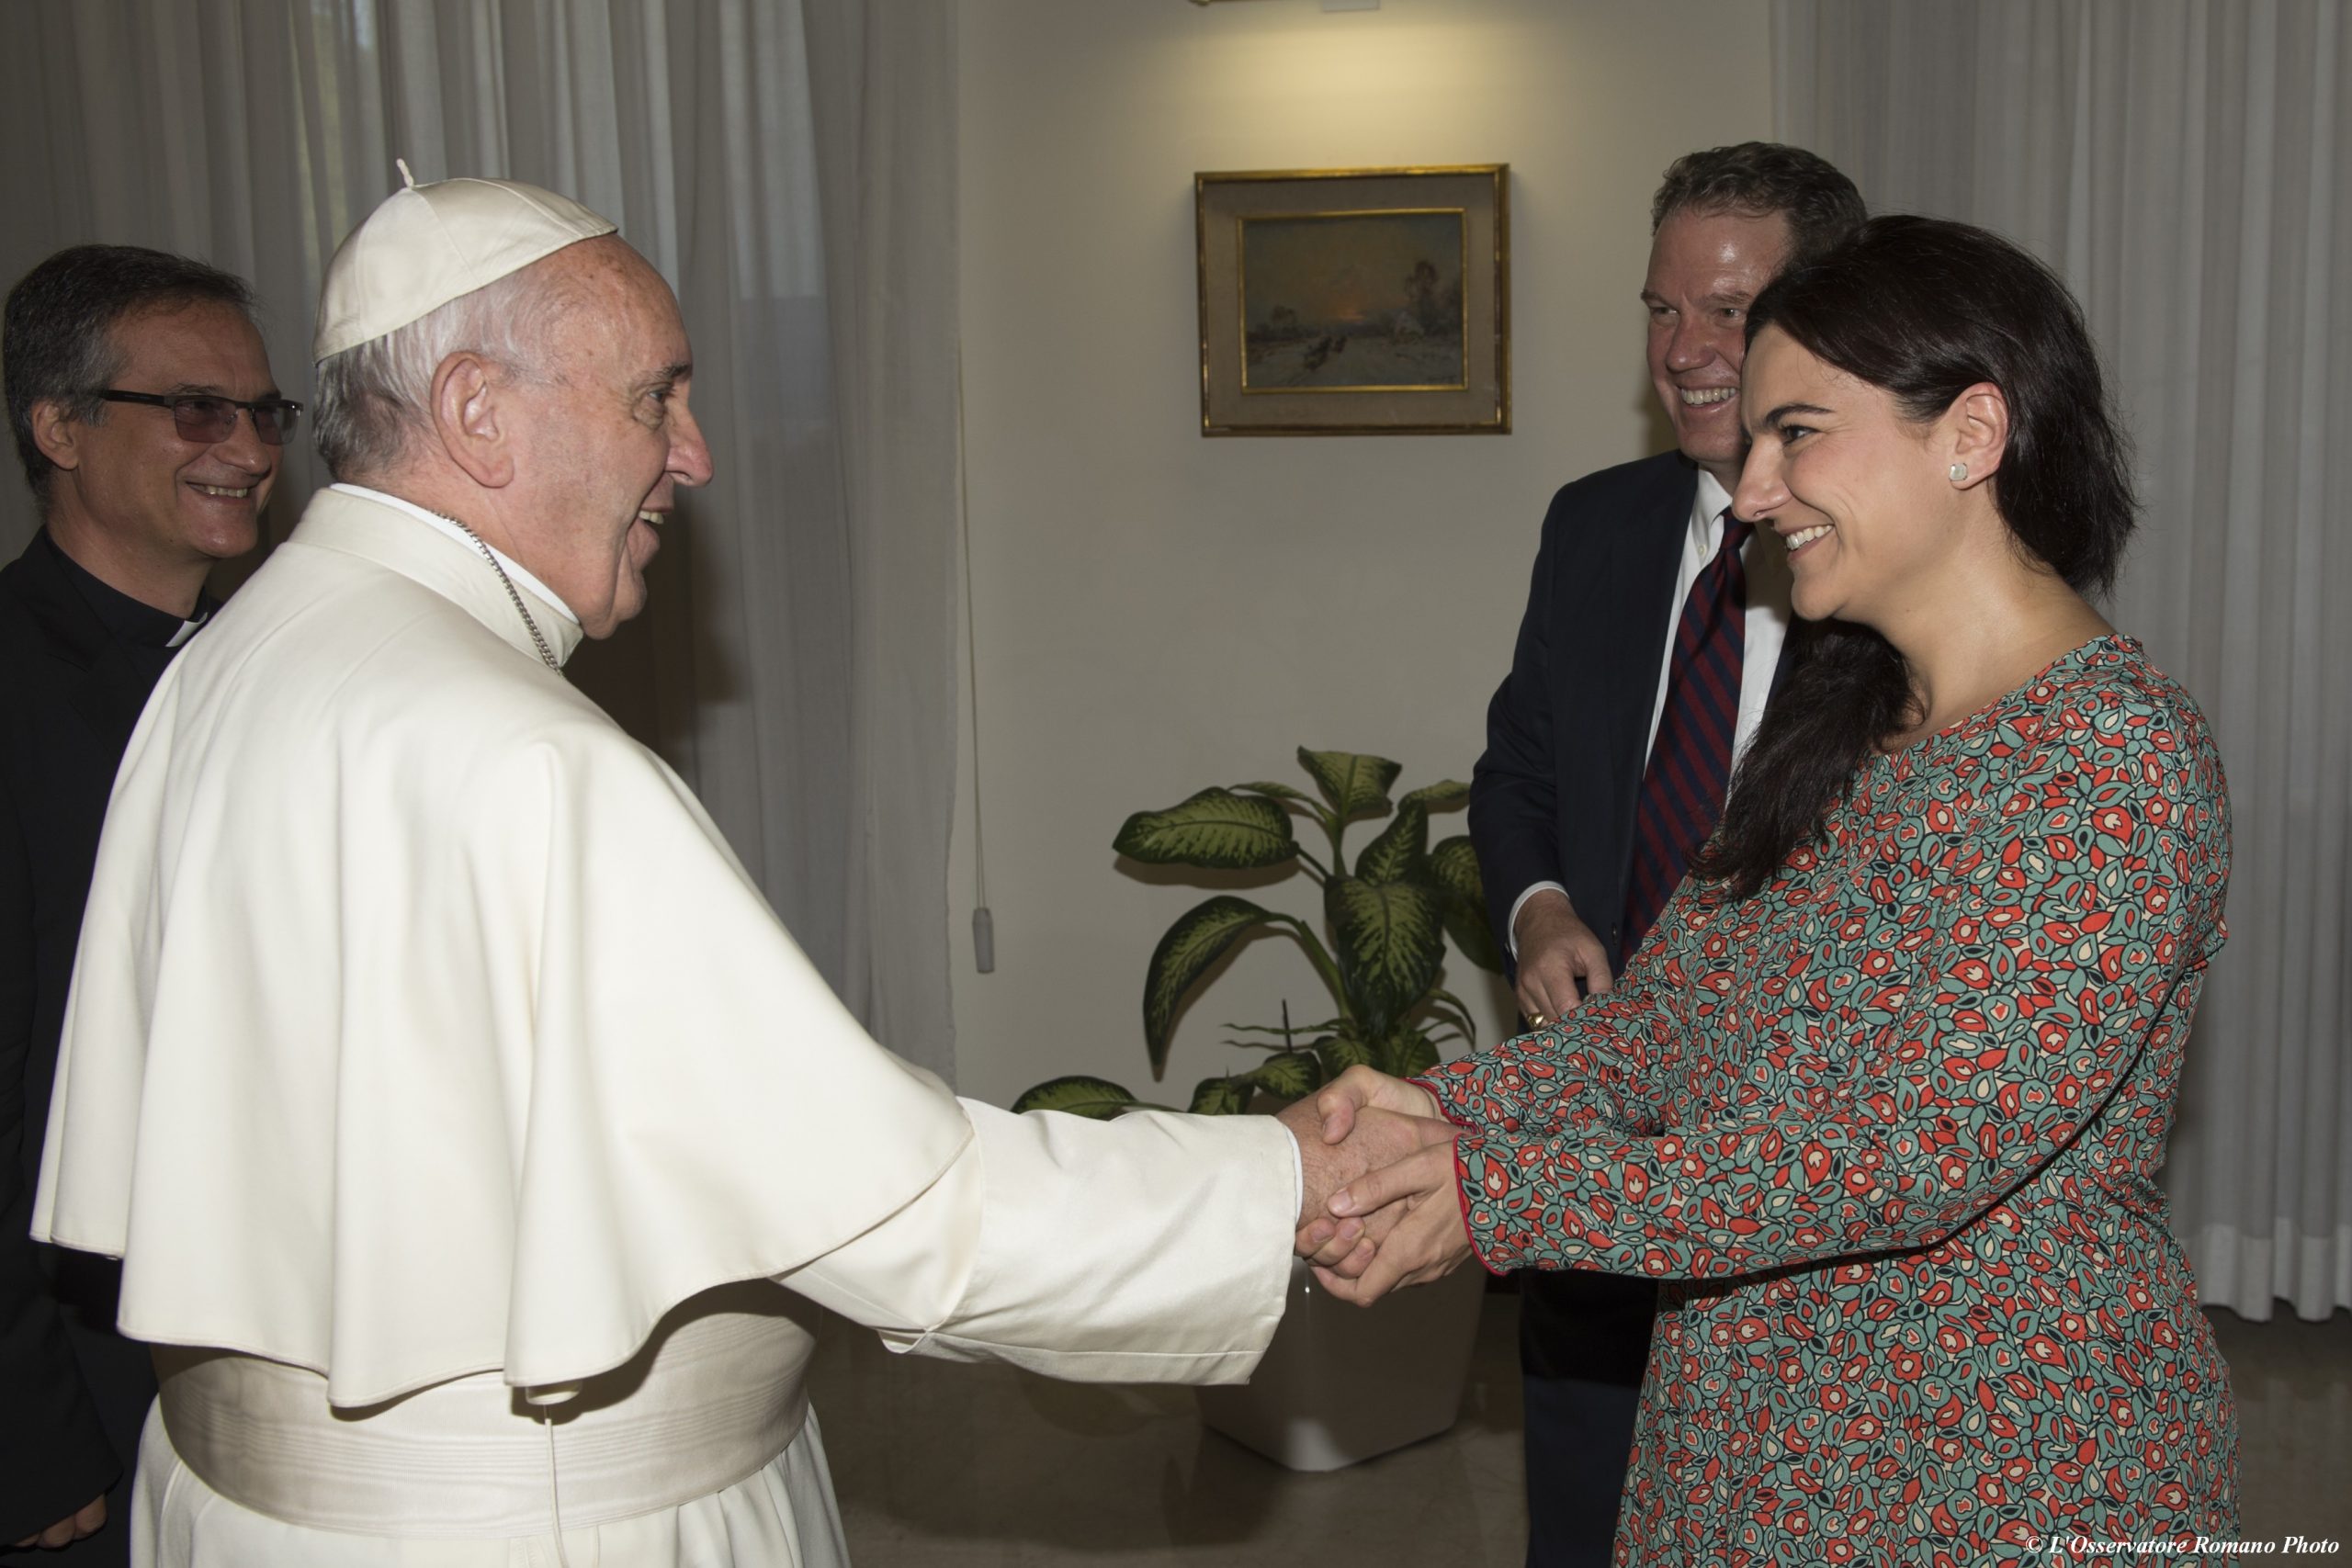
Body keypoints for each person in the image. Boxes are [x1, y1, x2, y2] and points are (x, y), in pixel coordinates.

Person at [30, 172, 1435, 1566]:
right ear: (475, 412)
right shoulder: (527, 758)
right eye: (656, 396)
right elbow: (902, 1213)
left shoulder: (232, 656)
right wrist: (1281, 1181)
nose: (695, 454)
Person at [1308, 214, 2239, 1559]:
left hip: (1998, 1466)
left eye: (1797, 432)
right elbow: (1661, 1026)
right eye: (1753, 441)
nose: (1749, 491)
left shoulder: (2116, 760)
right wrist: (1419, 1120)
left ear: (1972, 435)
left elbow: (1908, 1155)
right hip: (1741, 1435)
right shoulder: (1841, 721)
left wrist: (1500, 1199)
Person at [1467, 141, 1863, 1563]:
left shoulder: (1891, 575)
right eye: (1660, 311)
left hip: (1808, 1185)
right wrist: (1538, 909)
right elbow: (1515, 773)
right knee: (1581, 1511)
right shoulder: (1595, 527)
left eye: (1729, 313)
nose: (1686, 352)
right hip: (1595, 1133)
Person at [1, 245, 284, 1563]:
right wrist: (26, 1429)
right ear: (58, 426)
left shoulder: (265, 667)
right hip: (77, 1375)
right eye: (193, 407)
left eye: (262, 413)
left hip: (251, 1341)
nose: (245, 446)